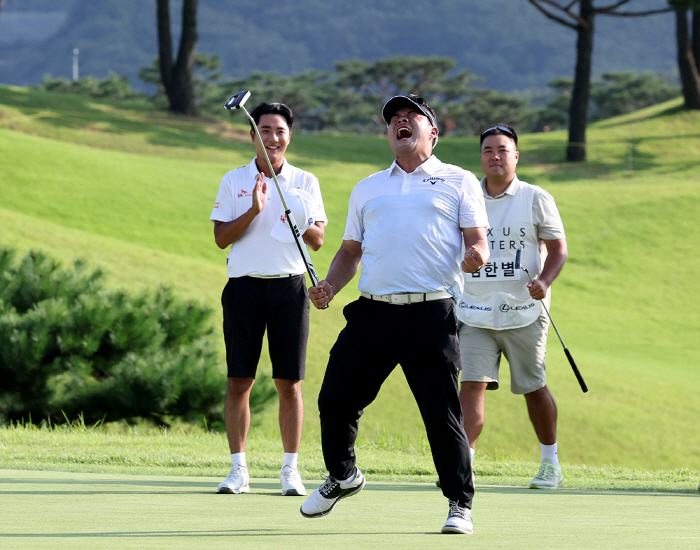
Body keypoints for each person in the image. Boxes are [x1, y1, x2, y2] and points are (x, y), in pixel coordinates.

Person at [299, 94, 490, 535]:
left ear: (432, 133)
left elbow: (475, 239)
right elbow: (351, 250)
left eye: (411, 118)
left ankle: (459, 504)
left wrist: (476, 255)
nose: (401, 123)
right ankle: (343, 477)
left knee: (441, 415)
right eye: (394, 120)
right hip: (373, 313)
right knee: (335, 400)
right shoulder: (368, 187)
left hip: (431, 313)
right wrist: (331, 285)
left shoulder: (458, 180)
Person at [209, 102, 327, 496]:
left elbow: (318, 241)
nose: (271, 137)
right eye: (264, 129)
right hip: (243, 287)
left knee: (288, 382)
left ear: (289, 136)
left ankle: (290, 470)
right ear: (252, 135)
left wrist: (298, 216)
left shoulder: (305, 181)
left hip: (289, 288)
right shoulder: (234, 180)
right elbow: (221, 238)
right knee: (239, 380)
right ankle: (238, 470)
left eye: (279, 130)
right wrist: (254, 209)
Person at [455, 124, 568, 489]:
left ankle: (550, 463)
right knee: (471, 384)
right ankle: (463, 465)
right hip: (474, 309)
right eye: (488, 150)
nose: (495, 156)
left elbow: (558, 249)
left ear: (515, 156)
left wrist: (545, 281)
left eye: (503, 150)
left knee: (533, 387)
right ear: (481, 157)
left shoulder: (535, 197)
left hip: (525, 310)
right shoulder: (466, 196)